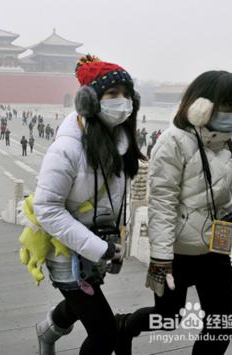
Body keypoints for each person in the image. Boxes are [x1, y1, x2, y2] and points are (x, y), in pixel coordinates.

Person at [114, 70, 232, 355]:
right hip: (177, 252)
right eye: (228, 105)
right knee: (169, 318)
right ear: (201, 104)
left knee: (221, 326)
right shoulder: (172, 142)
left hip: (216, 247)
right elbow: (162, 203)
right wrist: (160, 260)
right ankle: (125, 325)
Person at [31, 55, 144, 355]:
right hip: (66, 252)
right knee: (105, 334)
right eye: (112, 94)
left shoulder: (121, 142)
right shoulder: (67, 148)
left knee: (81, 300)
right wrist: (97, 247)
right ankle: (49, 331)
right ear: (90, 102)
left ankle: (47, 330)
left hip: (98, 249)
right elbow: (47, 208)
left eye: (127, 94)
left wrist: (110, 244)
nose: (122, 101)